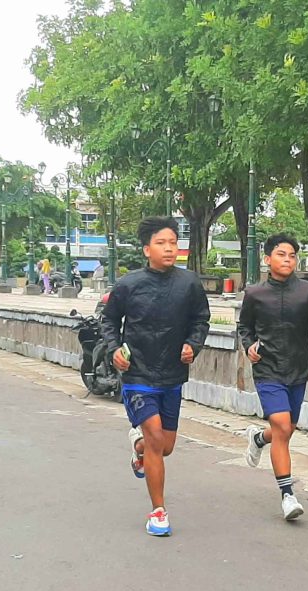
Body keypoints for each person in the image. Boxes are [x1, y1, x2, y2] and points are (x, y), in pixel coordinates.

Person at [101, 216, 211, 536]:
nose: (168, 249)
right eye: (161, 243)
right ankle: (158, 511)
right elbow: (108, 322)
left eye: (173, 243)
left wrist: (193, 344)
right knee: (154, 435)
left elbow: (201, 320)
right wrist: (113, 350)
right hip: (137, 374)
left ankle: (139, 451)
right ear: (146, 249)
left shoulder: (189, 283)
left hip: (172, 375)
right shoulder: (128, 285)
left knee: (165, 446)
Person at [237, 233, 308, 521]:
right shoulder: (255, 293)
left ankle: (258, 438)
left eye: (292, 255)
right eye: (281, 254)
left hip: (298, 367)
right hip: (268, 368)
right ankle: (287, 495)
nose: (287, 259)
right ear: (268, 259)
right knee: (281, 424)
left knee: (286, 429)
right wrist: (249, 347)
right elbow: (245, 327)